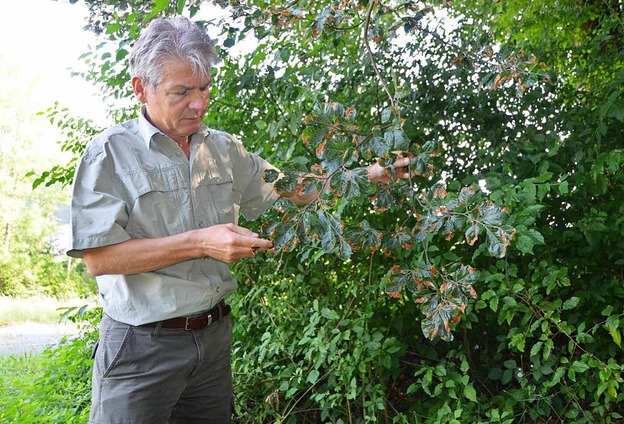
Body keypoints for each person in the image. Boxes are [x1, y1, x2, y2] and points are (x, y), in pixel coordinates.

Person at [67, 16, 410, 424]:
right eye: (181, 92)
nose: (200, 103)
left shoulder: (225, 149)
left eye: (204, 88)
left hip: (212, 340)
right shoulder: (108, 154)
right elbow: (100, 259)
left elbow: (292, 188)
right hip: (141, 347)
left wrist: (366, 176)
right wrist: (200, 243)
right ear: (141, 88)